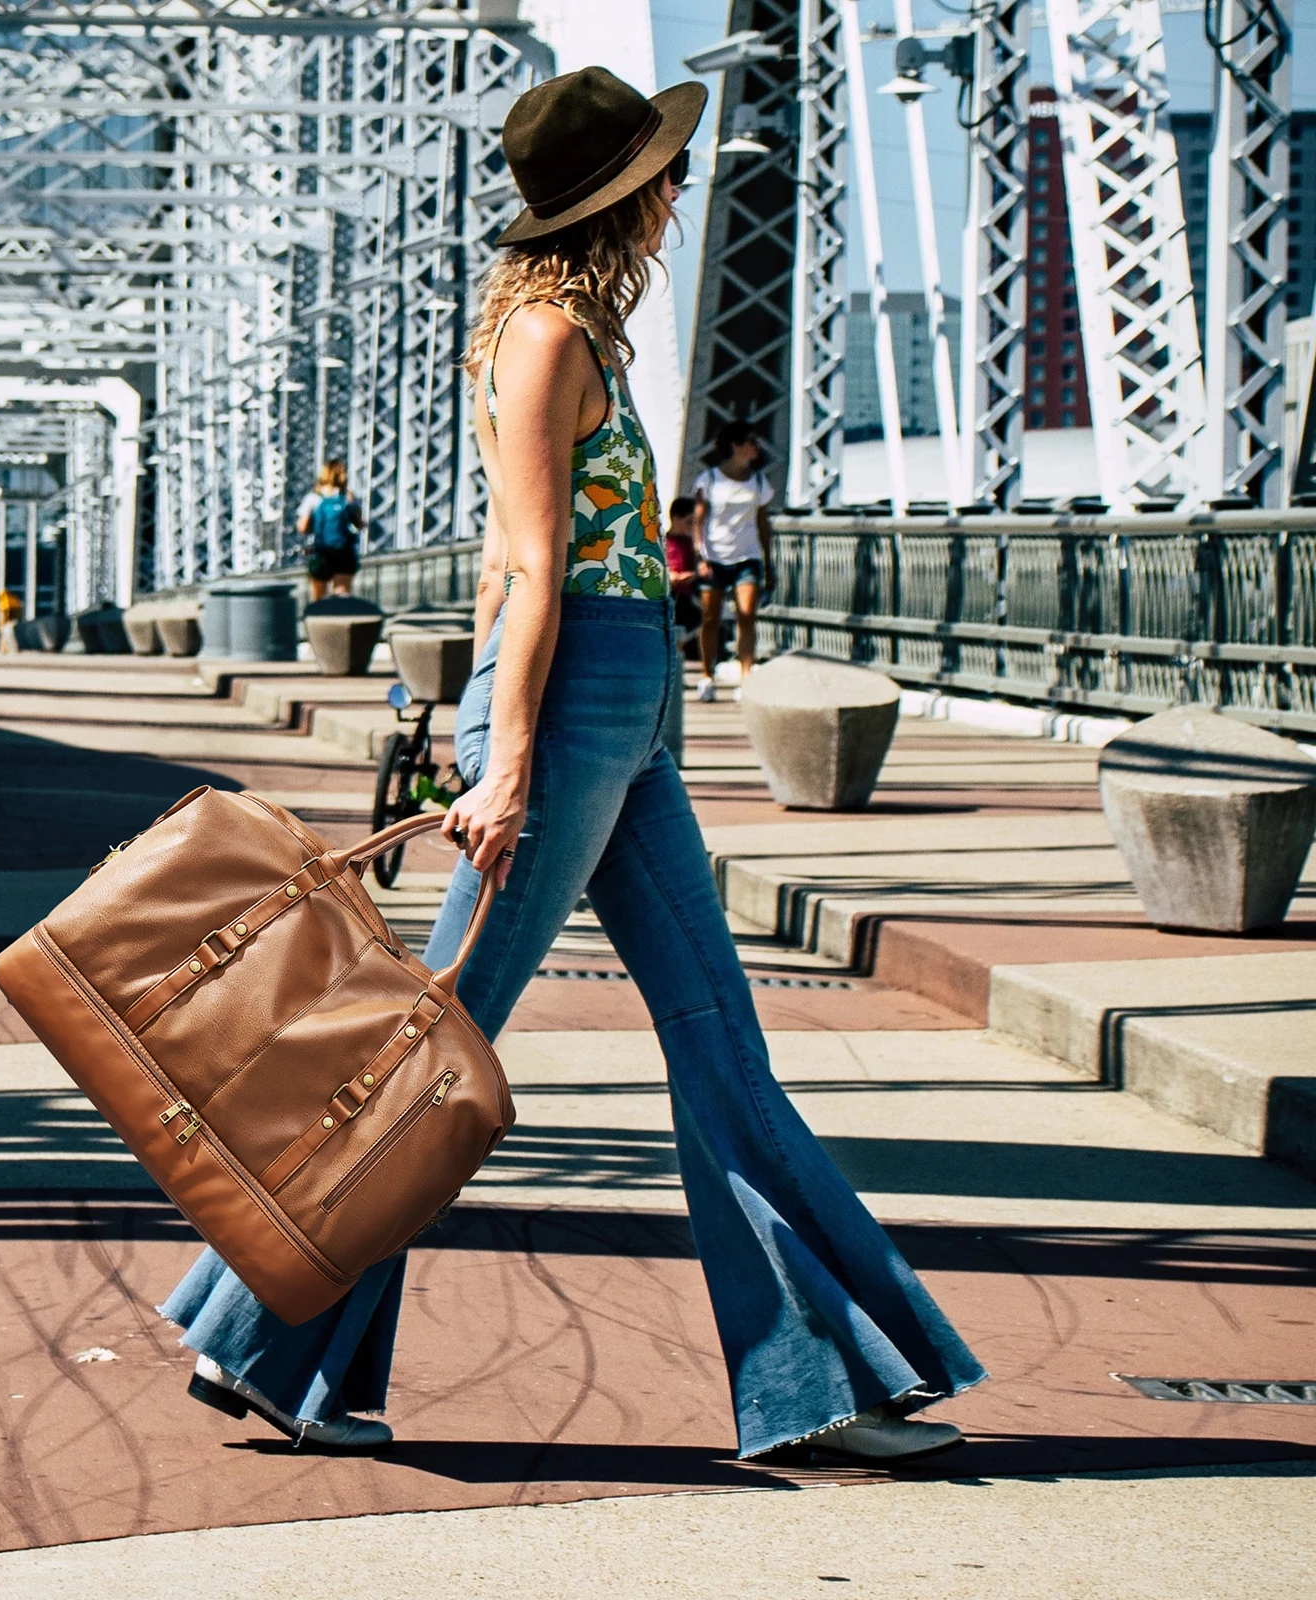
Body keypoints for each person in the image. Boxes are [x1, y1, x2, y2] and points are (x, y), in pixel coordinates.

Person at [160, 66, 984, 1464]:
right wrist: (503, 759)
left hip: (622, 709)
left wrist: (531, 720)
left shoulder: (572, 328)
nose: (677, 193)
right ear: (621, 197)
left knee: (718, 1042)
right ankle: (259, 1337)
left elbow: (520, 565)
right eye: (662, 175)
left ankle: (817, 1389)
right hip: (571, 714)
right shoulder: (547, 338)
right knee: (433, 1045)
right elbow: (532, 568)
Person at [691, 421, 774, 702]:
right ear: (736, 446)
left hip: (747, 557)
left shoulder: (760, 482)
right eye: (751, 441)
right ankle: (706, 675)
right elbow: (698, 521)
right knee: (710, 618)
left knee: (747, 615)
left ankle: (746, 675)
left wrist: (769, 561)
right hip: (714, 559)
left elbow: (763, 524)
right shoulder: (709, 480)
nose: (756, 447)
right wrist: (700, 555)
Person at [296, 459, 365, 600]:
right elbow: (358, 524)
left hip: (321, 551)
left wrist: (315, 528)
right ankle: (340, 620)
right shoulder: (348, 497)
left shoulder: (313, 498)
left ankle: (318, 619)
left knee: (318, 596)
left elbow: (302, 527)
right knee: (342, 593)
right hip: (344, 552)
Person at [663, 494, 702, 648]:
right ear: (676, 518)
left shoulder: (688, 543)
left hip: (686, 595)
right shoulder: (664, 542)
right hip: (671, 593)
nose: (691, 527)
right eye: (689, 522)